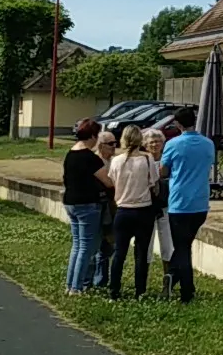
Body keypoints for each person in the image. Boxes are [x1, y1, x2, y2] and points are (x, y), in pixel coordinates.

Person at [160, 106, 215, 304]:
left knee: (181, 247)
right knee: (186, 245)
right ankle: (178, 280)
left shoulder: (172, 144)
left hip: (179, 203)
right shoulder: (208, 144)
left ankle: (185, 289)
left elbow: (164, 171)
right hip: (200, 203)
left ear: (177, 124)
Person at [99, 124, 159, 298]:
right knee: (141, 253)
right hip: (143, 210)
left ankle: (114, 289)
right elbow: (153, 185)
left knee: (119, 253)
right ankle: (140, 290)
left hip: (123, 210)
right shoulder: (147, 159)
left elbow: (112, 182)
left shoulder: (116, 161)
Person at [61, 119, 107, 293]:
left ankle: (70, 284)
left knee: (77, 245)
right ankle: (77, 286)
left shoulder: (70, 154)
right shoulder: (90, 158)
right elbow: (107, 181)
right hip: (87, 204)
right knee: (86, 247)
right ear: (93, 136)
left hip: (71, 202)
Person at [143, 128, 176, 296]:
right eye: (151, 142)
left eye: (158, 142)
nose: (155, 145)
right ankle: (143, 282)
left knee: (167, 245)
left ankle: (167, 283)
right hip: (147, 208)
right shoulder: (142, 161)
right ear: (145, 144)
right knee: (146, 245)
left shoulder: (167, 161)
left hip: (165, 207)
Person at [94, 129, 118, 289]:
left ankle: (102, 278)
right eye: (111, 144)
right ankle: (97, 280)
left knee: (109, 245)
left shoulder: (115, 161)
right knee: (99, 244)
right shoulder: (95, 161)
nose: (114, 147)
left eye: (116, 143)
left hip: (113, 207)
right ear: (101, 145)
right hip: (99, 205)